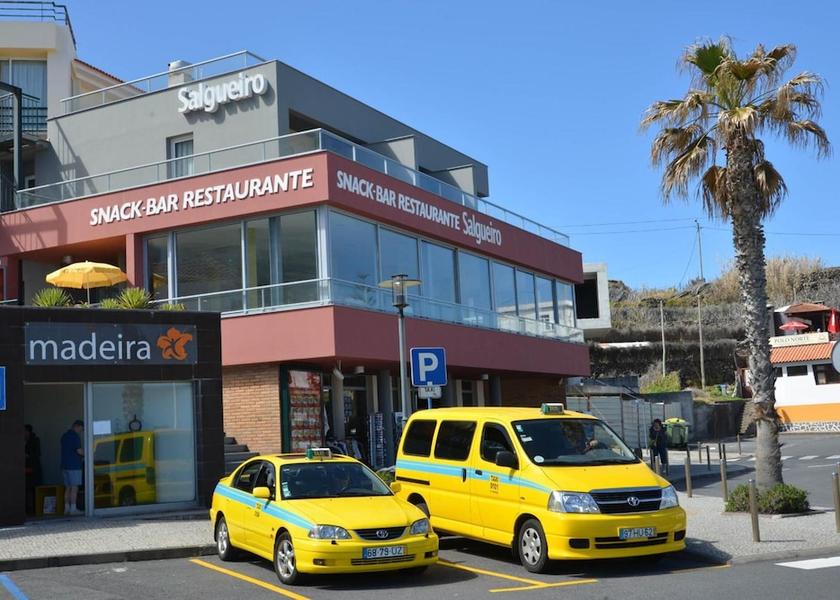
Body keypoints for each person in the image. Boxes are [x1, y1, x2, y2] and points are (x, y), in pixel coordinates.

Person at [60, 420, 84, 515]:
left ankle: (67, 508)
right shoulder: (75, 436)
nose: (81, 431)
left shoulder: (64, 436)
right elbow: (79, 451)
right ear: (77, 426)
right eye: (81, 429)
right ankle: (73, 509)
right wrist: (88, 453)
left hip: (64, 465)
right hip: (74, 465)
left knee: (68, 488)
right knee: (74, 488)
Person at [24, 425, 42, 514]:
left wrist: (28, 456)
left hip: (32, 468)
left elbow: (37, 453)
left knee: (32, 488)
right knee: (26, 489)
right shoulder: (22, 440)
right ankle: (27, 507)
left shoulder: (35, 440)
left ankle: (33, 508)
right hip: (24, 468)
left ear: (28, 432)